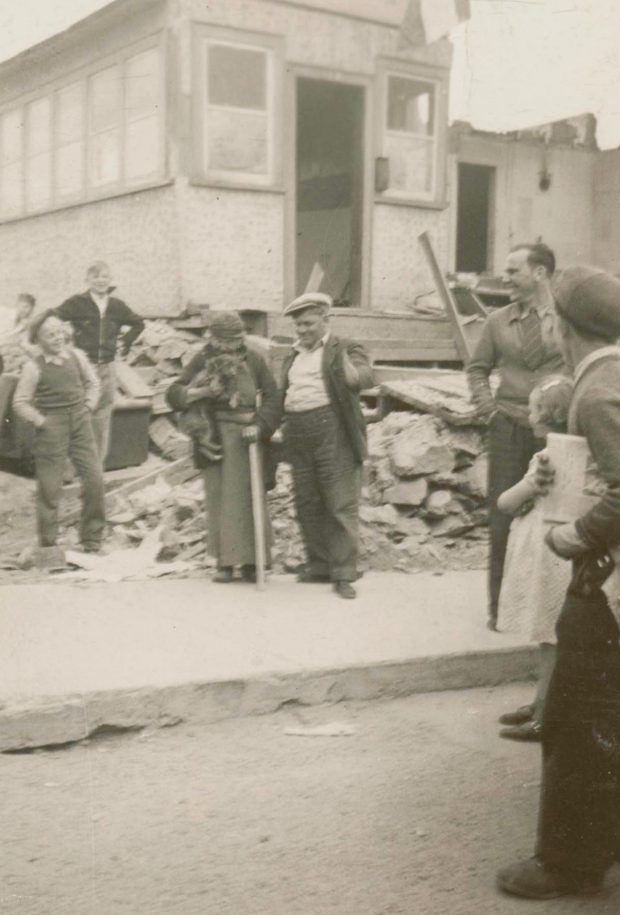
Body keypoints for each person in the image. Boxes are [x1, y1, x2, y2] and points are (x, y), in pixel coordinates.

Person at [498, 265, 620, 900]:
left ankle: (569, 862)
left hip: (606, 585)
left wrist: (578, 535)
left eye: (549, 313)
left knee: (577, 722)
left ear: (563, 326)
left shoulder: (597, 388)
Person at [467, 243, 564, 630]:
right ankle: (500, 610)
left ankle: (549, 610)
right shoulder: (497, 321)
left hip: (555, 432)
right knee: (502, 517)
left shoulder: (567, 319)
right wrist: (489, 410)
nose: (505, 278)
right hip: (508, 427)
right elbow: (477, 369)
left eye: (513, 271)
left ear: (539, 273)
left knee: (555, 516)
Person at [166, 311, 280, 583]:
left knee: (249, 498)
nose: (230, 346)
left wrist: (261, 426)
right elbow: (173, 393)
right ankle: (224, 563)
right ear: (213, 338)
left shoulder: (254, 359)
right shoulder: (202, 358)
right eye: (224, 341)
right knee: (219, 500)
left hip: (249, 438)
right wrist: (202, 393)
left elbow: (273, 397)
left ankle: (254, 562)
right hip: (214, 436)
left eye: (236, 339)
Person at [495, 376, 573, 741]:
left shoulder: (545, 458)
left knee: (551, 638)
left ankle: (545, 713)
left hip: (546, 554)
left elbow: (506, 503)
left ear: (548, 415)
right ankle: (544, 699)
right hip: (560, 549)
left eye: (533, 408)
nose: (529, 415)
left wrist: (527, 488)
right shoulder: (578, 453)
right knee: (552, 636)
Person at [281, 292, 374, 600]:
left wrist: (351, 371)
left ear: (326, 320)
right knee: (307, 501)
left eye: (308, 323)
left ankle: (344, 573)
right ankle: (319, 565)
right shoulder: (292, 354)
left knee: (339, 502)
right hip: (297, 431)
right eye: (298, 325)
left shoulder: (345, 346)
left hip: (331, 429)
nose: (303, 330)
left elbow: (363, 377)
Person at [12, 310, 106, 553]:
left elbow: (94, 384)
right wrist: (42, 422)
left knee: (95, 479)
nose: (57, 338)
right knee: (50, 488)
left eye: (59, 332)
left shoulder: (77, 356)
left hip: (80, 422)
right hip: (52, 427)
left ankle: (92, 539)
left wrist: (88, 406)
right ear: (39, 340)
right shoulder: (34, 367)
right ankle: (48, 545)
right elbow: (20, 402)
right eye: (50, 334)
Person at [56, 261, 145, 464]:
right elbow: (53, 318)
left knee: (102, 417)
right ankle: (70, 469)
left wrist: (127, 341)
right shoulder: (77, 303)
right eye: (96, 276)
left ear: (110, 280)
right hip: (83, 368)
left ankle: (95, 468)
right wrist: (63, 344)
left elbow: (138, 323)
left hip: (107, 367)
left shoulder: (116, 306)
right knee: (78, 415)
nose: (101, 280)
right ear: (87, 280)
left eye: (105, 276)